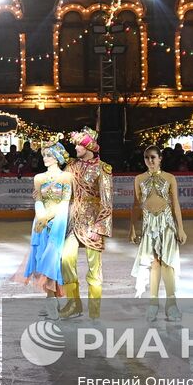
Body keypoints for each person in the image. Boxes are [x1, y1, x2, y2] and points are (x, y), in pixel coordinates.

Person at [59, 127, 113, 319]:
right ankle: (74, 303)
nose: (75, 149)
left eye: (78, 146)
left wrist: (99, 228)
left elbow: (107, 203)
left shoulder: (102, 169)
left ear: (88, 146)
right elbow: (60, 186)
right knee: (65, 259)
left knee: (94, 269)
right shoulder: (72, 166)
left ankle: (94, 312)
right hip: (74, 222)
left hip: (93, 224)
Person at [14, 142, 72, 318]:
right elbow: (38, 198)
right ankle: (50, 298)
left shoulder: (67, 177)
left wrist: (48, 217)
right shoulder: (38, 177)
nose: (45, 158)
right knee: (42, 257)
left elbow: (65, 201)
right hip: (40, 221)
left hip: (59, 220)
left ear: (57, 157)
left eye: (49, 155)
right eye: (44, 155)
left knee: (52, 259)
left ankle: (52, 299)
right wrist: (41, 216)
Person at [130, 145, 186, 322]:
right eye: (147, 157)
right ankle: (153, 304)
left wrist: (181, 228)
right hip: (148, 224)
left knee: (167, 263)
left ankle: (172, 304)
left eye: (153, 157)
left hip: (167, 223)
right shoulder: (139, 179)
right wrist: (133, 226)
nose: (150, 161)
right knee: (154, 263)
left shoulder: (170, 178)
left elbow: (175, 203)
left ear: (160, 158)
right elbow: (136, 204)